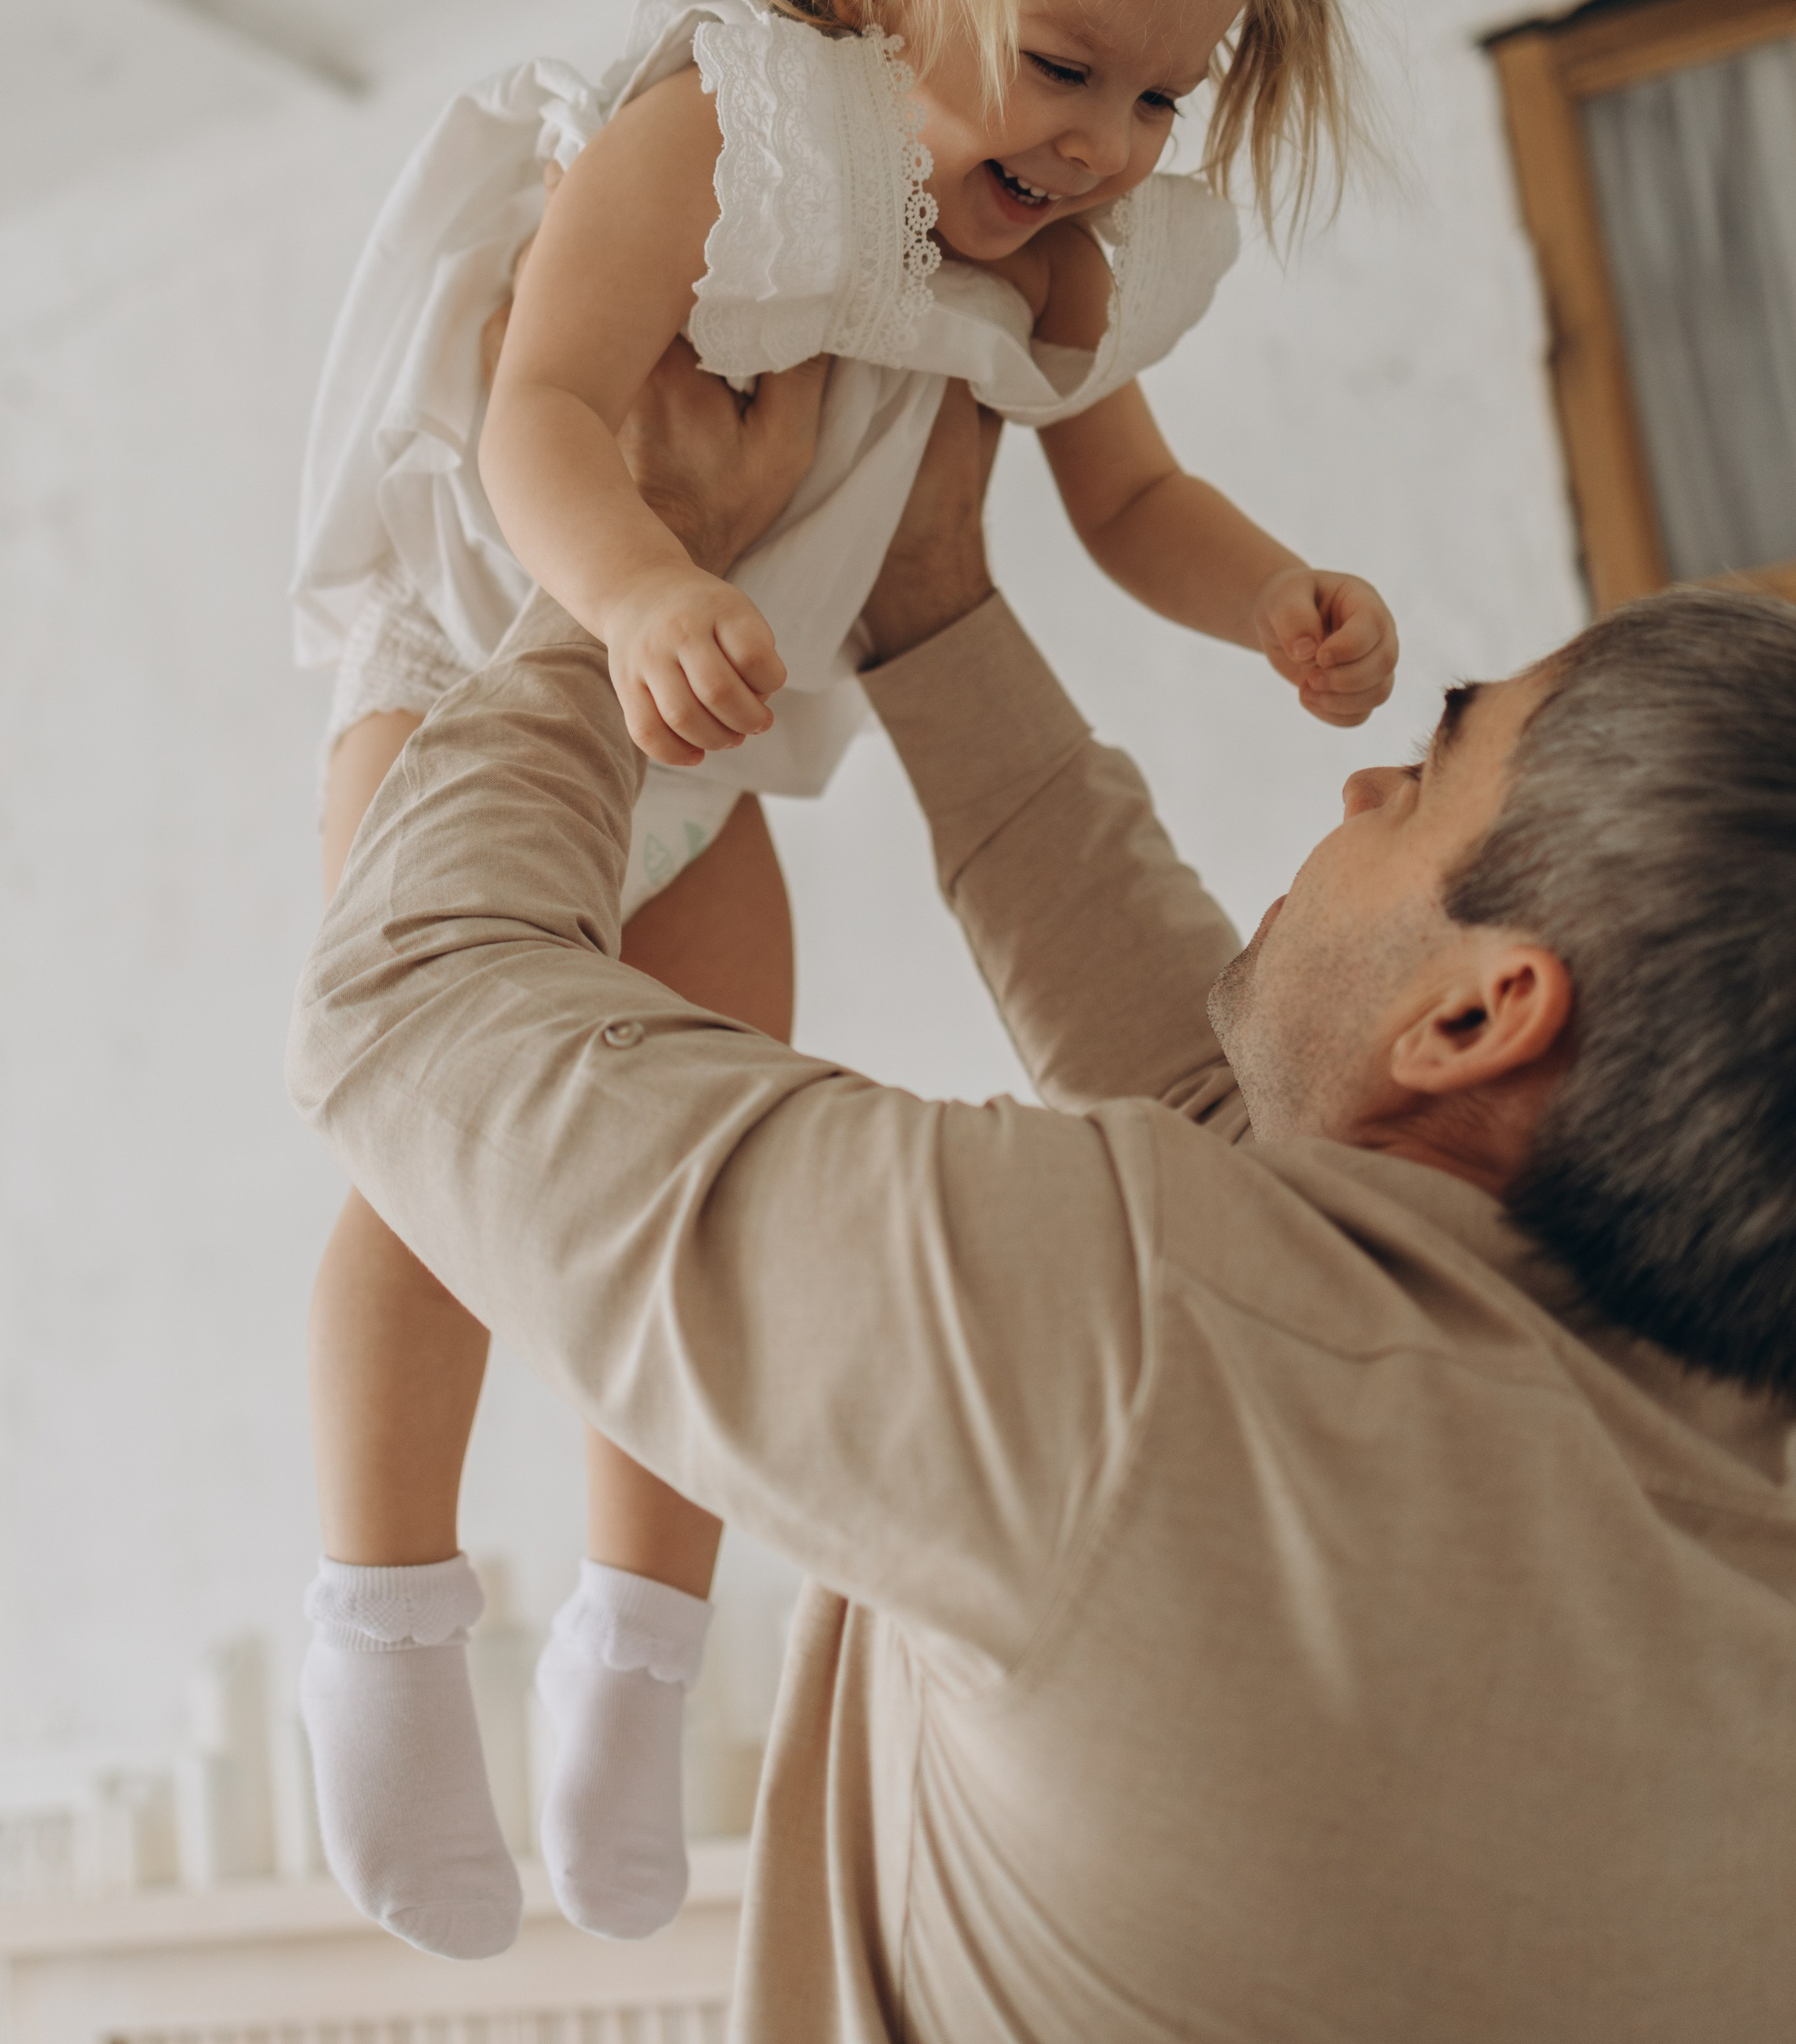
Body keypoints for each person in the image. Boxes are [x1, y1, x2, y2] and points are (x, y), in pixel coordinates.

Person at [289, 0, 1401, 1954]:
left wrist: (1275, 594)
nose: (1099, 141)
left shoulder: (1053, 253)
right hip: (495, 648)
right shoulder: (730, 119)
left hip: (712, 730)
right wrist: (625, 596)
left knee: (702, 1132)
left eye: (1161, 101)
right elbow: (540, 412)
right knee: (444, 1163)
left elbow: (1116, 510)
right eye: (1062, 64)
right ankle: (382, 1634)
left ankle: (634, 1656)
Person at [289, 356, 1796, 2044]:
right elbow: (1263, 1162)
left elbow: (411, 998)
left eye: (1433, 770)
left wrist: (635, 564)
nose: (1366, 786)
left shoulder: (1138, 1349)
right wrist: (932, 604)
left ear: (1474, 1017)